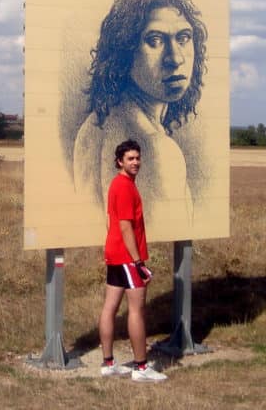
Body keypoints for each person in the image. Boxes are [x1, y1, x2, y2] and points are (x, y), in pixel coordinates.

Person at [73, 0, 207, 228]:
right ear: (124, 52)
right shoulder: (157, 150)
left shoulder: (93, 126)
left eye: (184, 38)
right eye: (155, 40)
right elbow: (161, 236)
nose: (175, 58)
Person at [97, 139, 167, 382]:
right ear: (119, 161)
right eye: (130, 159)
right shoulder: (125, 187)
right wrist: (138, 263)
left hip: (115, 254)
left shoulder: (116, 184)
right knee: (136, 310)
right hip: (127, 257)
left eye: (137, 158)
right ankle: (140, 368)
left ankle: (108, 364)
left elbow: (110, 220)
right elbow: (126, 227)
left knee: (110, 307)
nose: (136, 162)